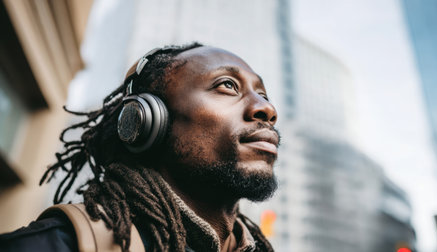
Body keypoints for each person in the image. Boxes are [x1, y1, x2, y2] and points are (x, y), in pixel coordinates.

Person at [0, 43, 280, 252]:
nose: (267, 109)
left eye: (263, 94)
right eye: (227, 85)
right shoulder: (50, 245)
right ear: (147, 122)